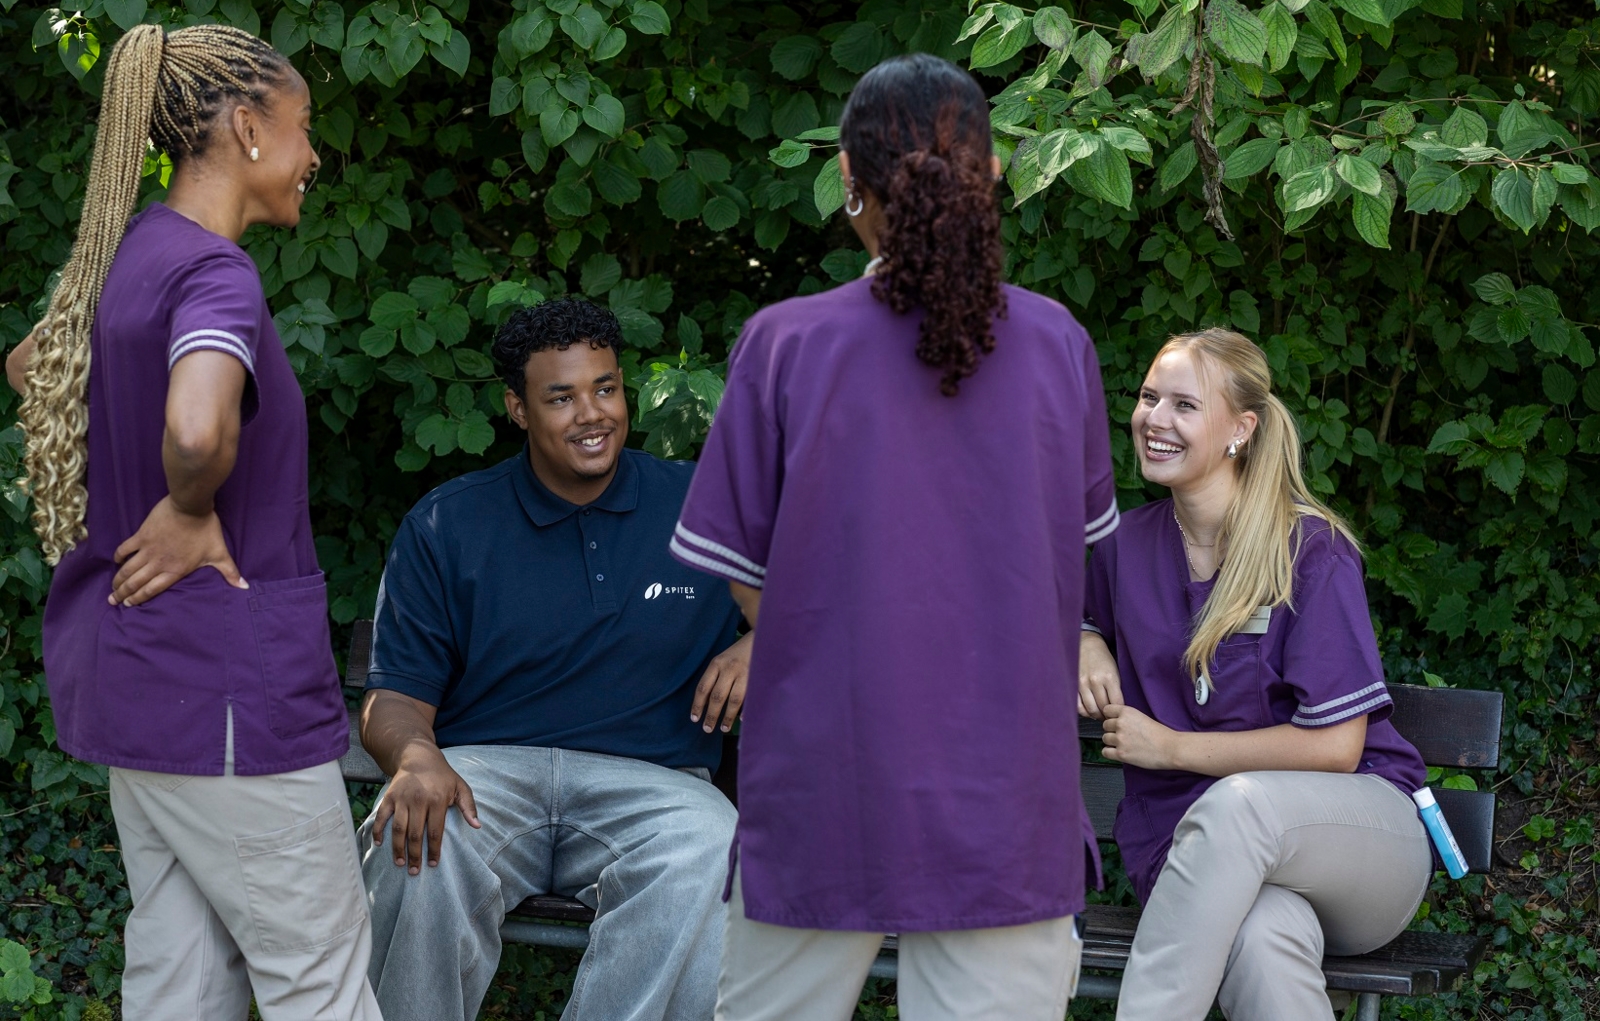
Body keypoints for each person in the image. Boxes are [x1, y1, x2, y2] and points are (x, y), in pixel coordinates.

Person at [670, 53, 1118, 1021]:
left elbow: (753, 584)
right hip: (1007, 793)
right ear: (995, 176)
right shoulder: (1060, 349)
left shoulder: (784, 344)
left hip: (828, 783)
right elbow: (1061, 565)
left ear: (848, 180)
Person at [4, 25, 380, 1018]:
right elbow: (199, 423)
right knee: (321, 983)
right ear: (249, 130)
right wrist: (183, 504)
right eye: (305, 132)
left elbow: (27, 367)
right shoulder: (215, 273)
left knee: (181, 983)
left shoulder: (126, 256)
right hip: (227, 691)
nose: (312, 158)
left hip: (137, 679)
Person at [359, 298, 749, 1021]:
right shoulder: (450, 522)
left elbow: (830, 598)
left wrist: (768, 637)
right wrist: (415, 756)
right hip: (486, 777)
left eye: (605, 387)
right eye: (561, 396)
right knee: (417, 847)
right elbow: (396, 696)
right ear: (517, 407)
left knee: (712, 847)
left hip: (654, 786)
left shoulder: (702, 505)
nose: (592, 413)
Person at [1076, 328, 1432, 1021]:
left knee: (1237, 805)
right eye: (1149, 398)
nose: (1155, 418)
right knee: (1266, 938)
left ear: (1241, 429)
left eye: (1184, 404)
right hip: (1187, 855)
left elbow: (1337, 748)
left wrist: (1172, 748)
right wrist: (1087, 642)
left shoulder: (1310, 551)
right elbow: (1063, 618)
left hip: (1358, 845)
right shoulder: (1123, 548)